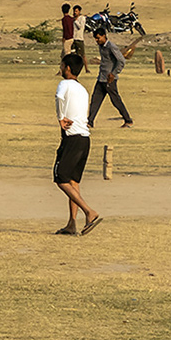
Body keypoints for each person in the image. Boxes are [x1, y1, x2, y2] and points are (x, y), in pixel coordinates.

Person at [53, 52, 99, 234]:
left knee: (60, 178)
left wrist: (60, 118)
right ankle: (72, 224)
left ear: (68, 68)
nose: (60, 68)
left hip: (72, 138)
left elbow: (59, 98)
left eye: (62, 65)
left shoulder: (64, 84)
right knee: (73, 181)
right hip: (84, 139)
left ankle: (89, 212)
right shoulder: (82, 88)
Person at [89, 24, 136, 128]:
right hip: (101, 78)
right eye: (95, 38)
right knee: (95, 100)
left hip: (110, 80)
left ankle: (128, 120)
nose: (97, 40)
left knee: (116, 101)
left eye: (98, 38)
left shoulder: (111, 46)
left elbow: (121, 60)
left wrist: (114, 73)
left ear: (104, 36)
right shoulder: (101, 47)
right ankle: (90, 122)